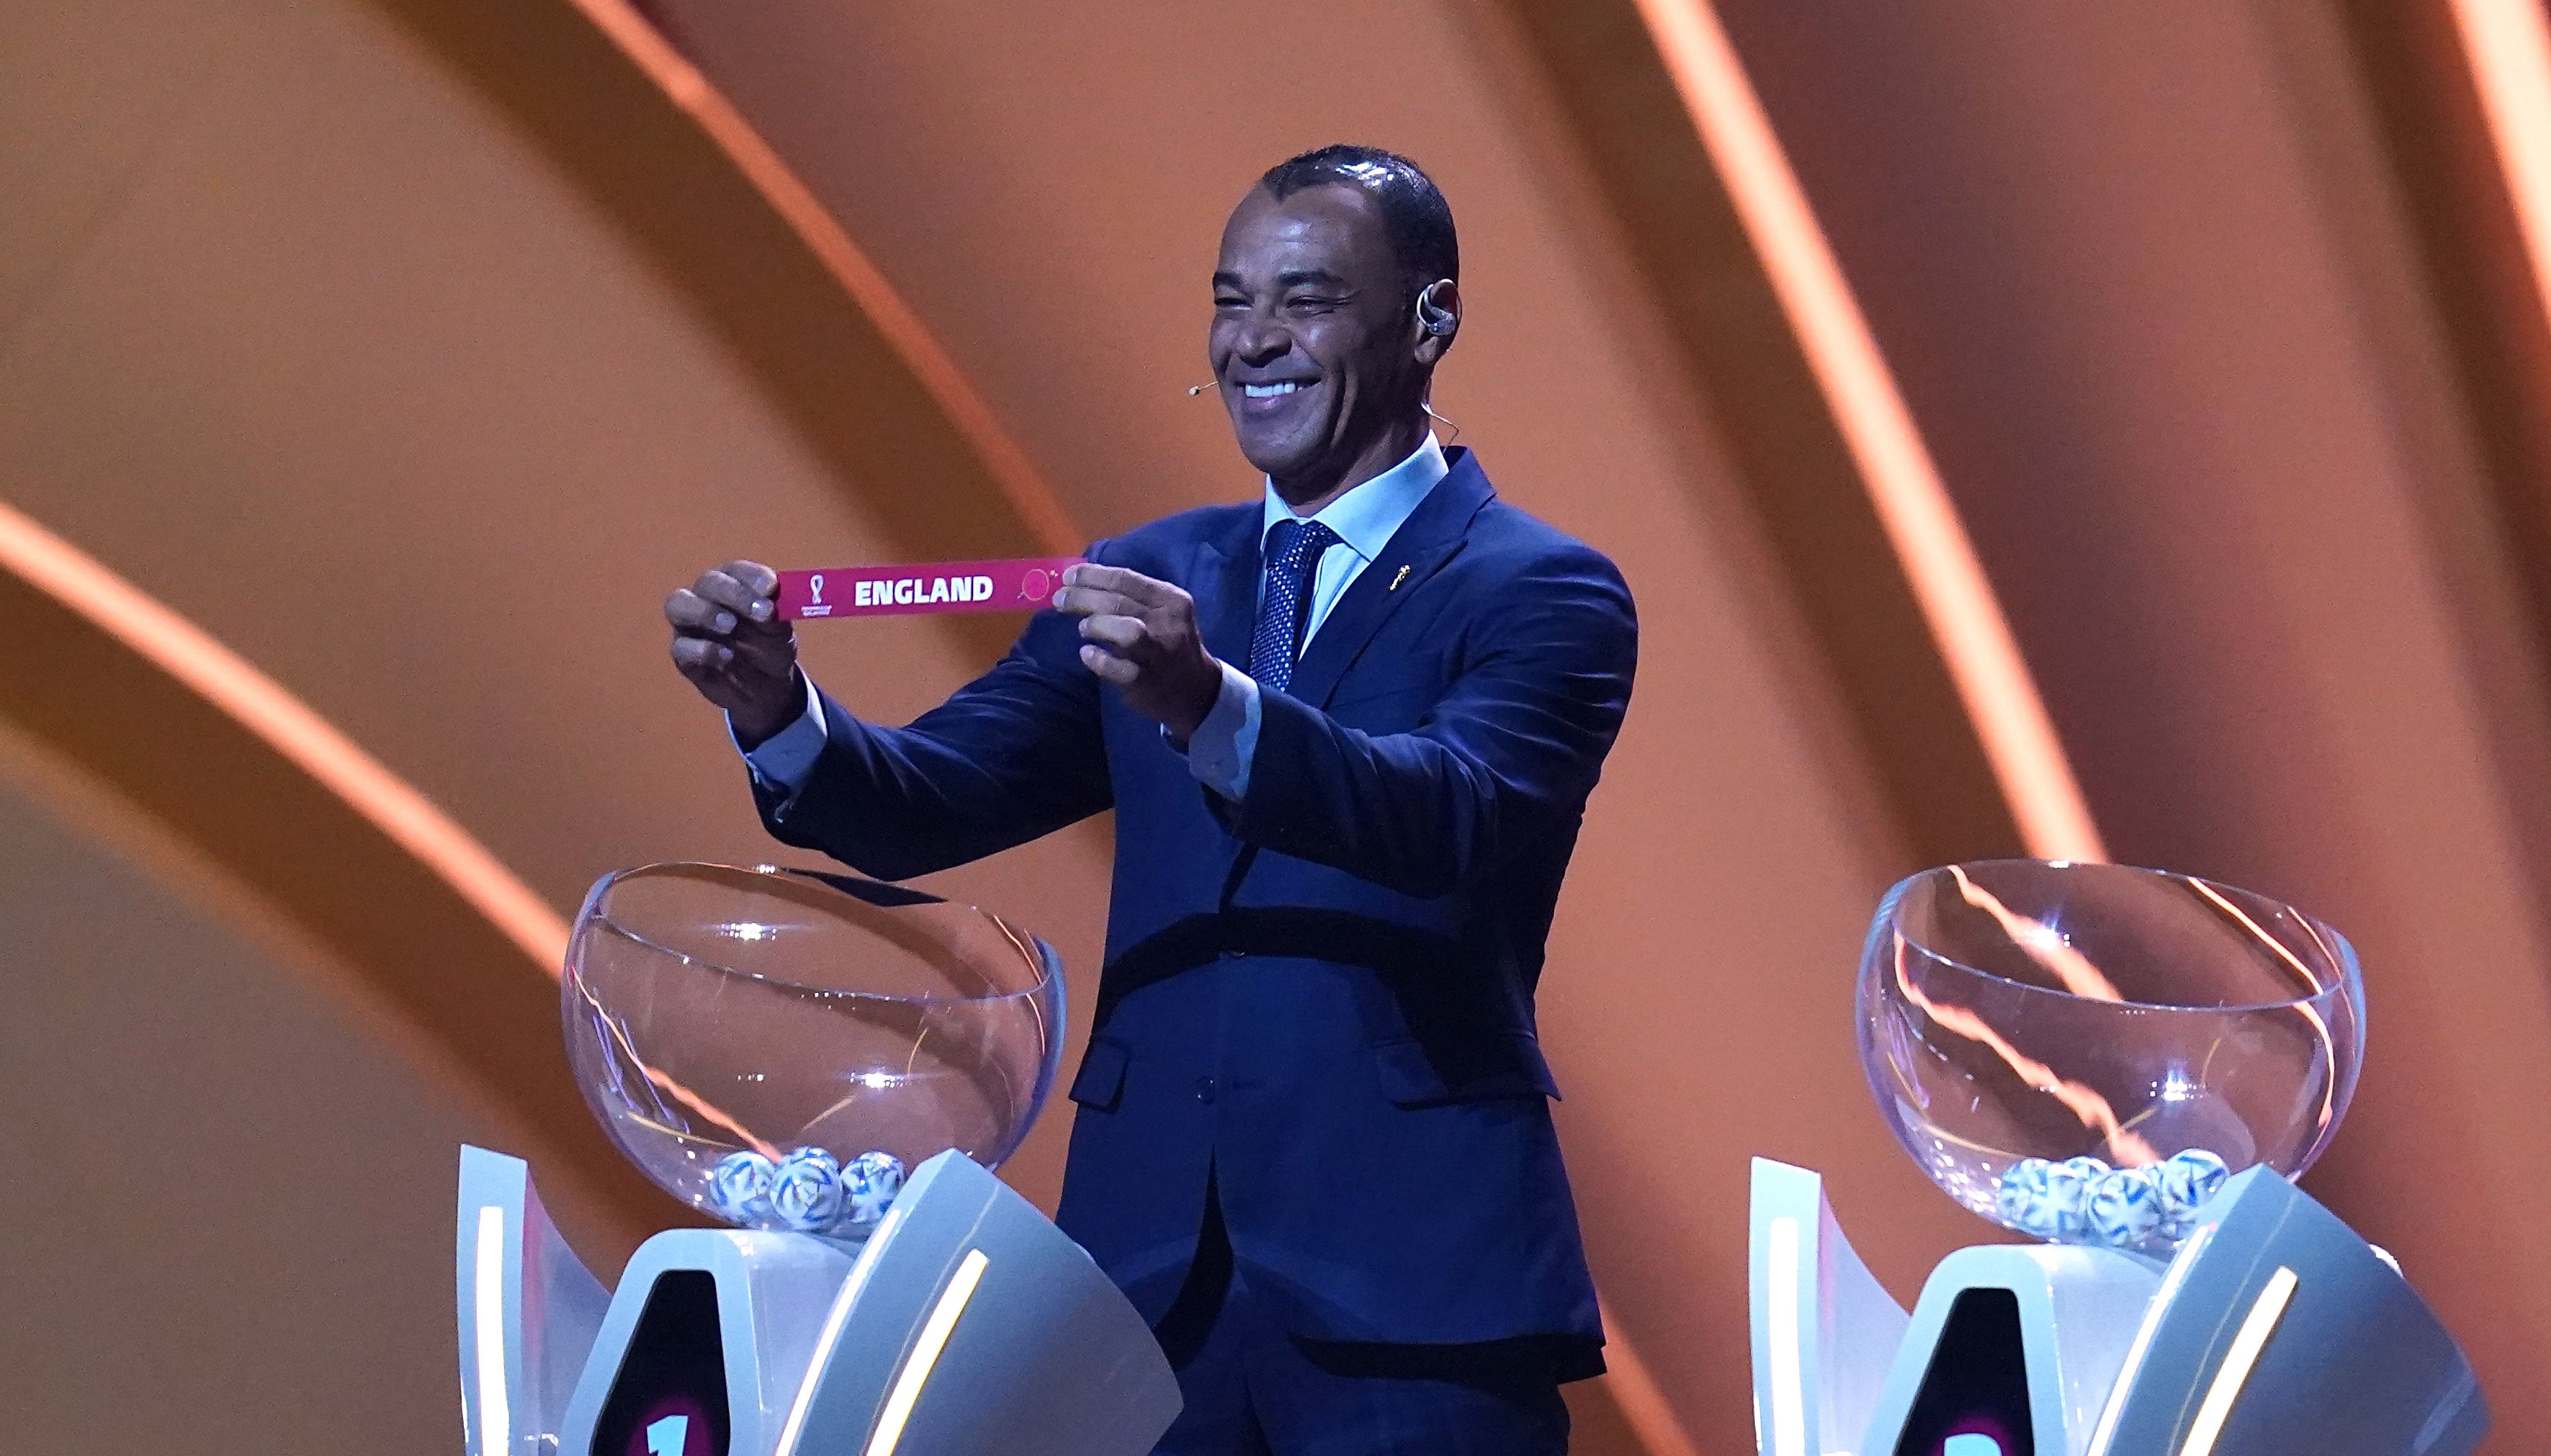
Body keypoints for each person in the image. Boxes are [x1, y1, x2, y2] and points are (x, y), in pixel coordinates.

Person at [665, 144, 1637, 1455]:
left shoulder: (1539, 589)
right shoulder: (1153, 570)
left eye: (1303, 300)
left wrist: (1211, 706)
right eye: (1231, 301)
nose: (1254, 342)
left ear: (1428, 320)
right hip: (1144, 1291)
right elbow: (931, 800)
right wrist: (776, 708)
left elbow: (1446, 812)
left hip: (1413, 1288)